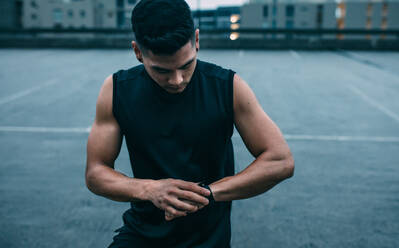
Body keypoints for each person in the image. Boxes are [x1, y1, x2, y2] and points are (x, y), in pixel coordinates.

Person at [85, 0, 294, 247]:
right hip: (142, 233)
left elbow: (280, 161)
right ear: (137, 52)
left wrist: (206, 194)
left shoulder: (228, 86)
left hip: (207, 239)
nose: (177, 80)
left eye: (186, 65)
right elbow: (96, 172)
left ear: (196, 40)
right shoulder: (116, 89)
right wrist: (150, 190)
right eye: (162, 71)